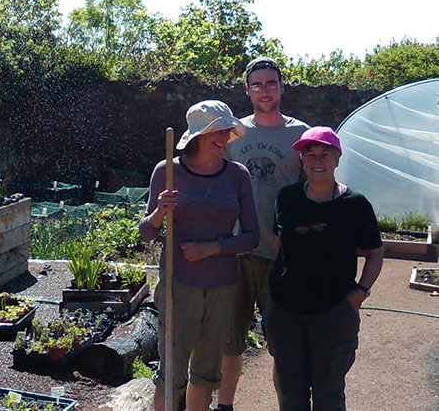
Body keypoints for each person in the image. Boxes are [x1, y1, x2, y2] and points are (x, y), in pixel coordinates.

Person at [139, 99, 259, 411]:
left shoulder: (237, 175)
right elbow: (146, 234)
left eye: (227, 130)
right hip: (179, 285)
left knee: (206, 373)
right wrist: (159, 213)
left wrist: (213, 248)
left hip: (222, 286)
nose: (224, 136)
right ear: (196, 136)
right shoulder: (168, 171)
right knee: (171, 373)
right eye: (216, 131)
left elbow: (252, 236)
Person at [266, 126, 384, 410]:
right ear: (302, 160)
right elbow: (279, 245)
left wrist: (360, 292)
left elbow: (375, 253)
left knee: (328, 393)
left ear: (337, 159)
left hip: (333, 311)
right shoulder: (287, 198)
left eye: (324, 154)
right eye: (310, 154)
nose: (317, 161)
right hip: (287, 311)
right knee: (291, 395)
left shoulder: (355, 204)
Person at [218, 57, 310, 410]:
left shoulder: (300, 134)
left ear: (282, 86)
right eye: (256, 85)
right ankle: (224, 405)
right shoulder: (233, 133)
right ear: (247, 90)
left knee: (283, 345)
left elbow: (313, 188)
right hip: (238, 252)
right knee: (231, 341)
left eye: (271, 83)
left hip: (282, 255)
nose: (264, 90)